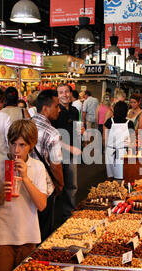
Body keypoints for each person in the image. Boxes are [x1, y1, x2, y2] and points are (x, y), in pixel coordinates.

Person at [0, 119, 47, 271]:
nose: (16, 150)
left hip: (28, 237)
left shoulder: (38, 167)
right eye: (13, 144)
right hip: (1, 238)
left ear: (31, 145)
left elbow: (41, 205)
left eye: (22, 145)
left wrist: (25, 178)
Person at [30, 90, 64, 241]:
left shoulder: (24, 125)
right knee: (44, 228)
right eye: (56, 106)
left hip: (25, 185)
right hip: (44, 186)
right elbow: (55, 165)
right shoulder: (52, 133)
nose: (59, 109)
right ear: (45, 108)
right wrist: (60, 184)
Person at [53, 84, 82, 225]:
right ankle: (53, 219)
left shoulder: (75, 110)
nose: (64, 94)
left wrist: (81, 134)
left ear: (71, 93)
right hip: (57, 155)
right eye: (61, 92)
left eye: (66, 92)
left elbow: (77, 130)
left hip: (71, 155)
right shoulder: (55, 112)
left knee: (72, 186)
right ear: (57, 95)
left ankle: (68, 215)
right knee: (57, 187)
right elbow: (53, 135)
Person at [104, 101, 135, 181]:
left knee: (111, 177)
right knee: (123, 177)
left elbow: (105, 138)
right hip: (124, 153)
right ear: (126, 111)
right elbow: (132, 141)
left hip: (110, 151)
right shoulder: (130, 123)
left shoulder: (109, 122)